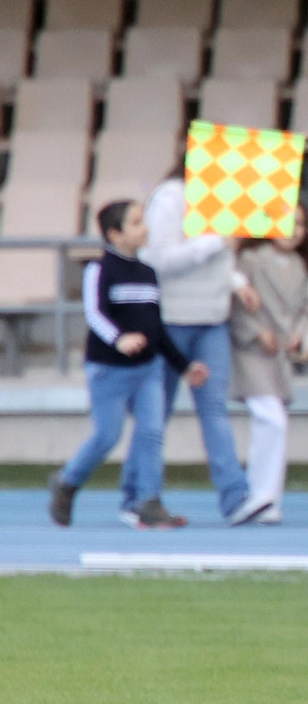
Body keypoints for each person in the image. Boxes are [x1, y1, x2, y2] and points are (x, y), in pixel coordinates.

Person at [48, 201, 210, 529]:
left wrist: (183, 365)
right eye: (136, 223)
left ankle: (147, 501)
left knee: (151, 433)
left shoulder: (148, 273)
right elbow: (95, 314)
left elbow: (156, 327)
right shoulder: (100, 269)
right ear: (114, 234)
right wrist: (119, 338)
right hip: (110, 369)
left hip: (148, 370)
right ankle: (68, 481)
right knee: (108, 435)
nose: (145, 228)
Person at [142, 165, 276, 526]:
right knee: (156, 415)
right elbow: (160, 259)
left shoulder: (223, 198)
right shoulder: (171, 199)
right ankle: (139, 496)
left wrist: (236, 282)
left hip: (211, 320)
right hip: (171, 321)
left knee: (215, 411)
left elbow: (218, 260)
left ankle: (235, 499)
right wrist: (217, 240)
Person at [230, 205, 308, 525]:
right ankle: (261, 495)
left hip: (278, 355)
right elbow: (237, 305)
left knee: (272, 422)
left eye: (301, 224)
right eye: (288, 223)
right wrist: (256, 332)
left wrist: (297, 334)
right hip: (252, 352)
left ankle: (267, 496)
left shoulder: (299, 266)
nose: (294, 230)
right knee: (271, 418)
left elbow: (307, 308)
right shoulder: (251, 261)